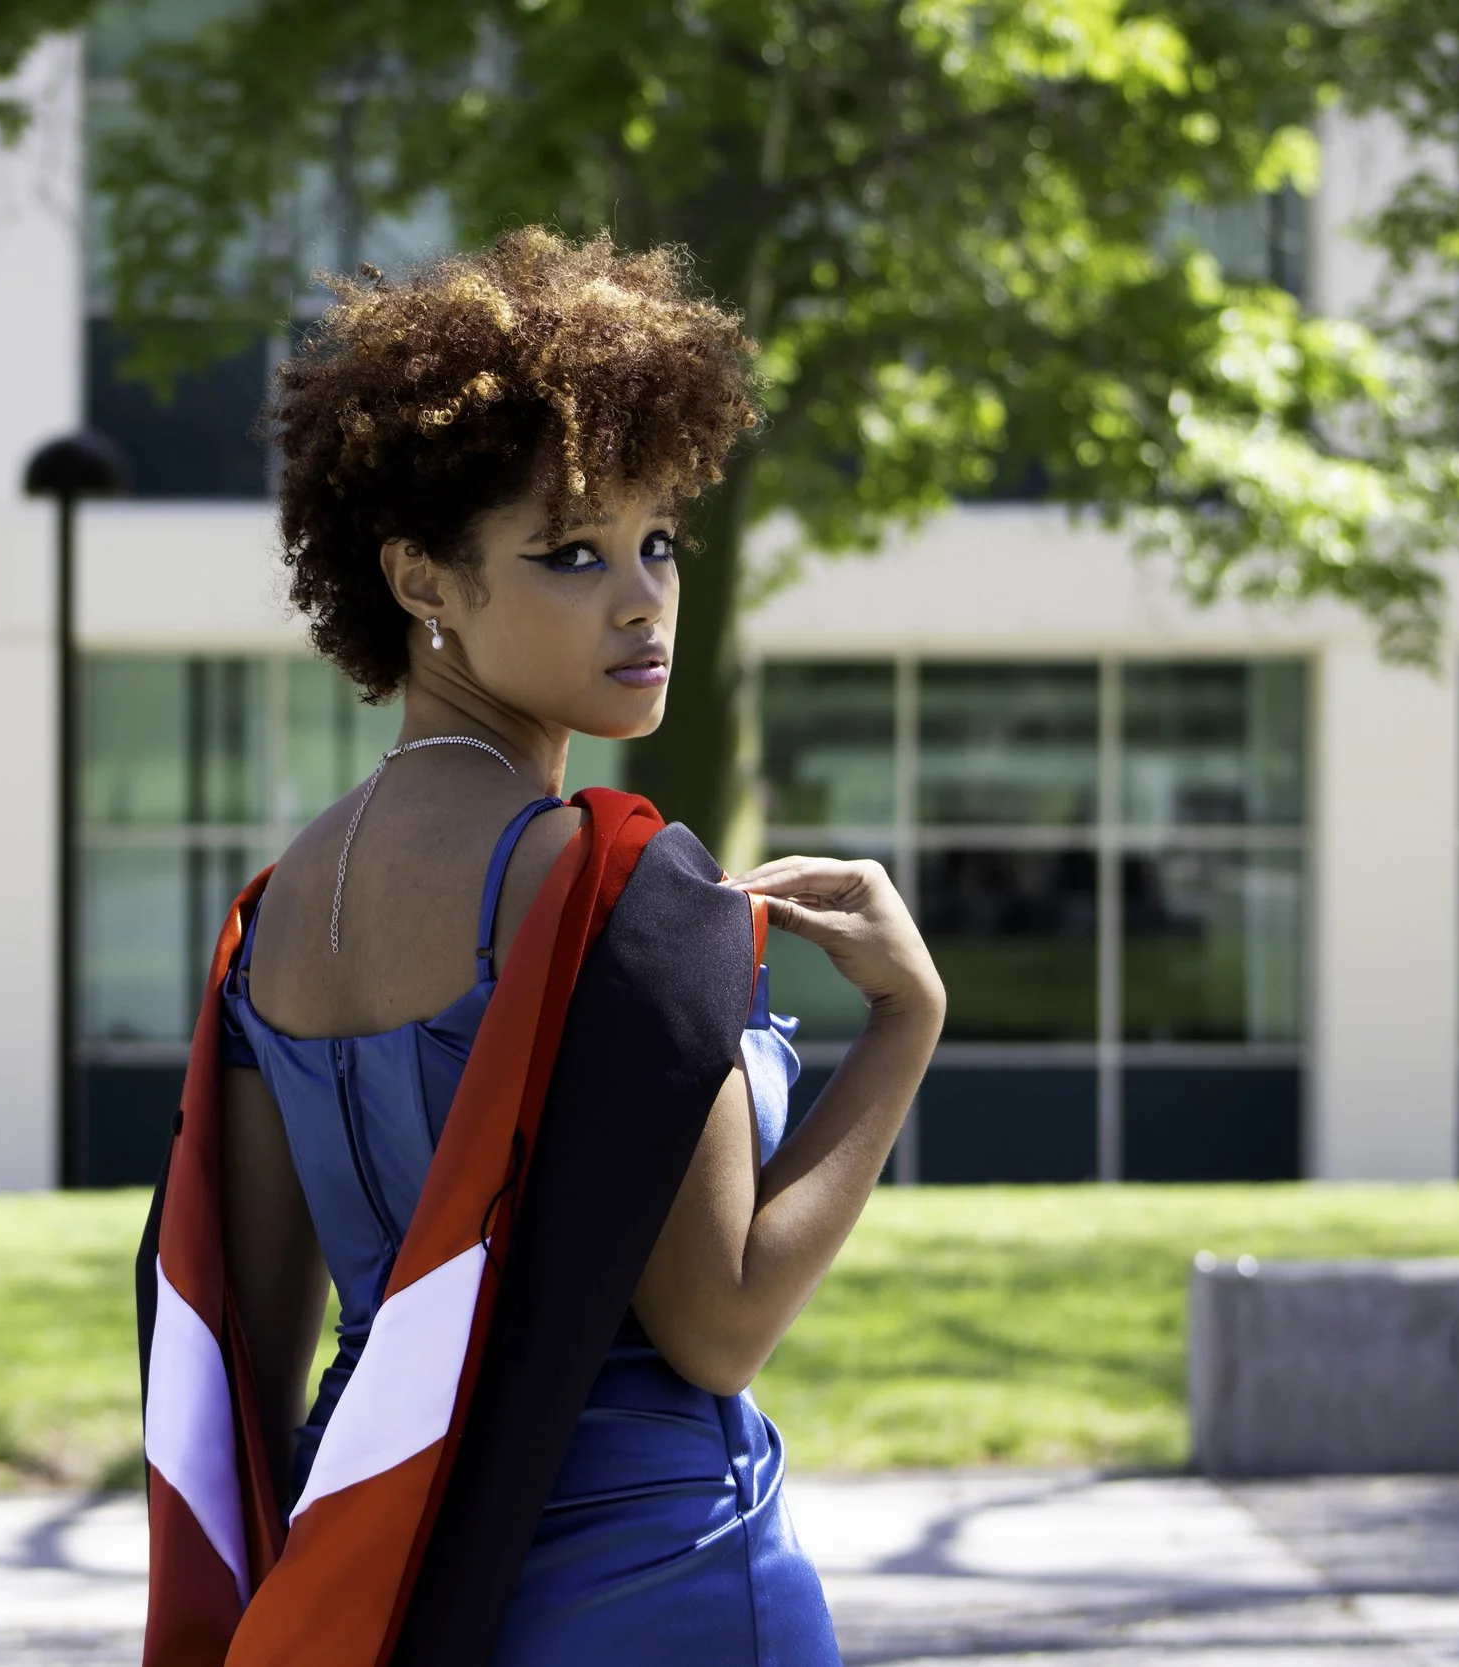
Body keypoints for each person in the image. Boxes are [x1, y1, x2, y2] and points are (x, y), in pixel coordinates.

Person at [136, 229, 945, 1667]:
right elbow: (719, 1323)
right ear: (418, 578)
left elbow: (249, 1377)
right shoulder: (609, 876)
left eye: (657, 542)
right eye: (571, 553)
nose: (641, 598)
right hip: (669, 1578)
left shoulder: (272, 913)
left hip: (391, 1590)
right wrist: (904, 1028)